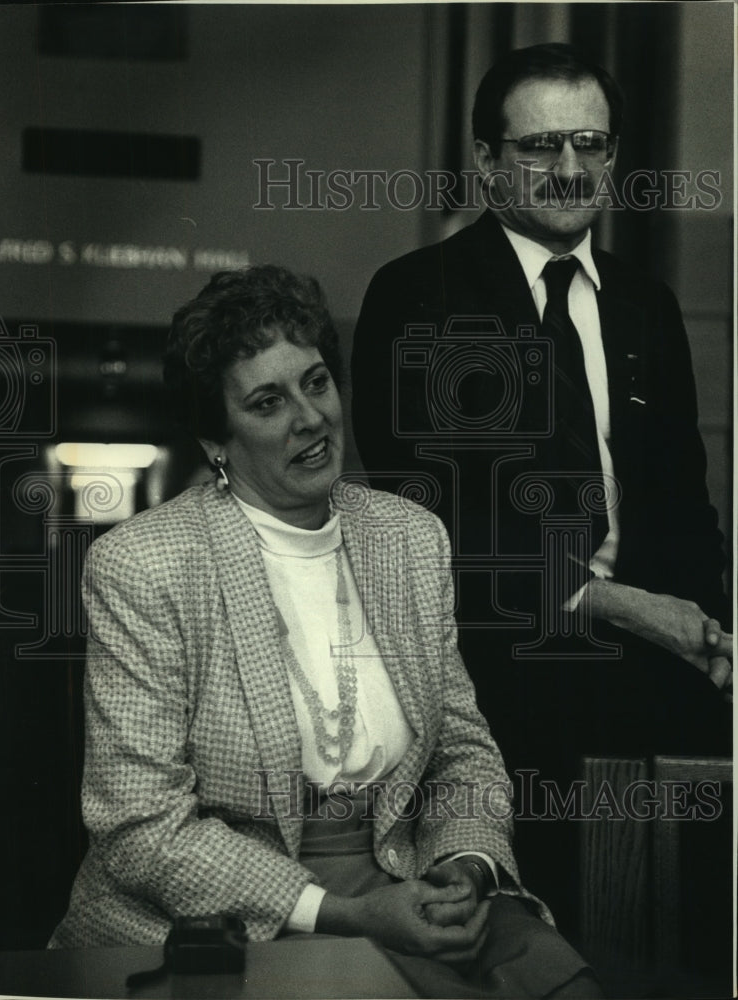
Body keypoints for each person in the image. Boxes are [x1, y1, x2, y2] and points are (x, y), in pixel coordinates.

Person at [49, 265, 599, 998]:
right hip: (227, 924)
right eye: (267, 402)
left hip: (405, 881)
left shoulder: (408, 538)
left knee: (567, 985)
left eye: (315, 383)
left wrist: (466, 867)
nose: (309, 418)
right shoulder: (144, 564)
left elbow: (462, 753)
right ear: (217, 438)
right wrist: (347, 913)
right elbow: (140, 826)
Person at [351, 43, 732, 932]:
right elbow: (430, 517)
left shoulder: (648, 303)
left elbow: (684, 503)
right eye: (539, 147)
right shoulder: (418, 297)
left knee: (673, 943)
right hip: (496, 687)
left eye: (590, 143)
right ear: (485, 160)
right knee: (532, 943)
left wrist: (708, 638)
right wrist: (618, 605)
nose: (570, 170)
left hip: (655, 685)